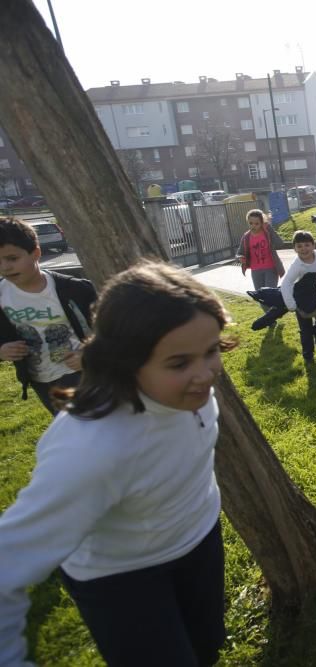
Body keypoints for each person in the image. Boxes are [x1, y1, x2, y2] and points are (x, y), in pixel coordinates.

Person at [0, 261, 232, 666]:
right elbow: (8, 561)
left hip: (199, 544)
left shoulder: (189, 393)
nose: (205, 374)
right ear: (126, 360)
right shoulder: (90, 448)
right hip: (123, 578)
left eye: (210, 351)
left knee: (206, 650)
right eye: (179, 363)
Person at [0, 217, 96, 414]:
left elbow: (110, 331)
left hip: (82, 372)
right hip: (40, 380)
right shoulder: (1, 295)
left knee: (95, 424)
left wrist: (91, 355)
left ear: (36, 253)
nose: (5, 267)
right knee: (71, 429)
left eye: (12, 258)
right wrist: (2, 350)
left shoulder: (74, 289)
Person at [277, 230, 316, 363]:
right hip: (301, 300)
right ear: (294, 248)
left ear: (313, 245)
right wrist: (291, 304)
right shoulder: (297, 265)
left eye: (307, 245)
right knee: (305, 330)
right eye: (299, 246)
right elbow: (286, 283)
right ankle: (308, 356)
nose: (303, 249)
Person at [235, 209, 285, 312]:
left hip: (270, 268)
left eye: (257, 223)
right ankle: (270, 318)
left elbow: (280, 243)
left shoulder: (267, 232)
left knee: (270, 294)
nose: (253, 226)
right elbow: (239, 252)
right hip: (256, 270)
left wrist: (270, 229)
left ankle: (273, 314)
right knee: (260, 297)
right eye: (251, 223)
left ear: (262, 223)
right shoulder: (246, 237)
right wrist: (240, 258)